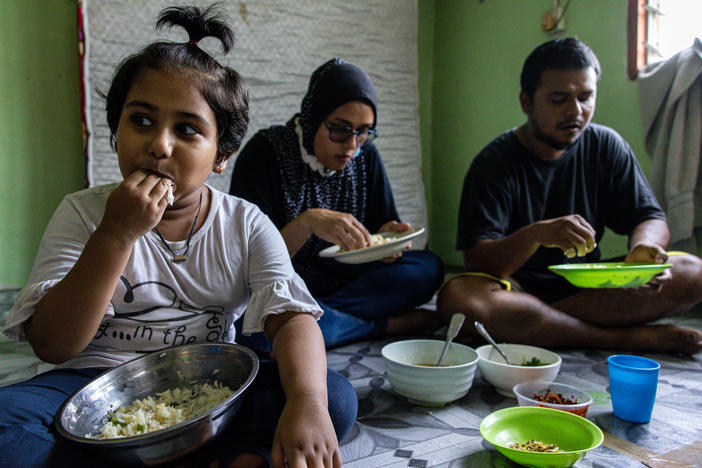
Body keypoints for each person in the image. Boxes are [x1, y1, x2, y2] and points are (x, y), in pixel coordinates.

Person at [0, 6, 356, 468]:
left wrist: (306, 405)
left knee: (332, 397)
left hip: (207, 390)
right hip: (88, 385)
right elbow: (53, 345)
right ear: (116, 130)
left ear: (222, 154)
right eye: (141, 121)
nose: (159, 145)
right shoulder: (83, 212)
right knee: (7, 426)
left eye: (186, 129)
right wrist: (117, 233)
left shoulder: (244, 223)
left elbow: (291, 320)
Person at [437, 37, 702, 355]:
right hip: (514, 289)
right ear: (526, 102)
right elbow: (479, 261)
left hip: (587, 289)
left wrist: (644, 248)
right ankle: (621, 338)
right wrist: (536, 235)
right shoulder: (494, 163)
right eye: (559, 99)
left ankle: (539, 328)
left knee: (692, 271)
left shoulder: (606, 145)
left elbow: (649, 217)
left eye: (586, 97)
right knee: (460, 298)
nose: (576, 111)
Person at [229, 58, 444, 350]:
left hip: (347, 285)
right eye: (340, 129)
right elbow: (249, 270)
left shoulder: (366, 155)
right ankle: (379, 325)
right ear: (314, 118)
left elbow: (380, 230)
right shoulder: (265, 153)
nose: (352, 144)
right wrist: (307, 223)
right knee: (248, 325)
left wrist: (388, 242)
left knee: (428, 268)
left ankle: (317, 317)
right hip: (284, 286)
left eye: (364, 131)